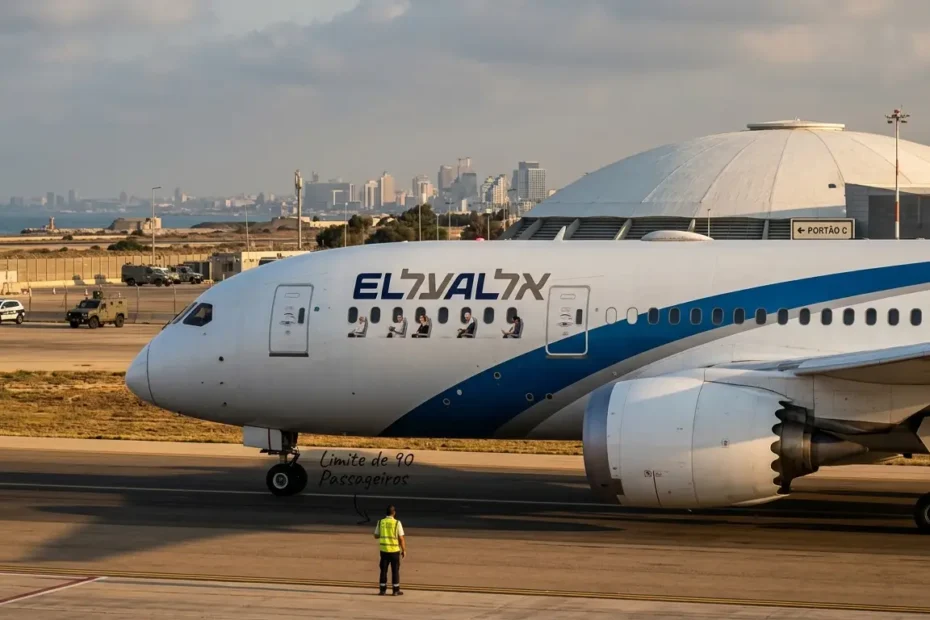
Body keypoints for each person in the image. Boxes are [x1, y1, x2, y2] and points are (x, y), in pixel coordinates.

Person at [373, 504, 406, 595]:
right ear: (394, 513)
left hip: (384, 551)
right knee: (395, 571)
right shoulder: (397, 523)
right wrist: (403, 550)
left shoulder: (381, 522)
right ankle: (395, 590)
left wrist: (384, 534)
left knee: (383, 570)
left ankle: (382, 590)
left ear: (386, 513)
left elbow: (376, 535)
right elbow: (401, 538)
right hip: (394, 551)